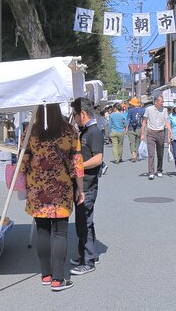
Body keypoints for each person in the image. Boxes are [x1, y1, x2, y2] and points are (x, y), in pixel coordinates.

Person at [21, 103, 84, 291]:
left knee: (42, 230)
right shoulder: (69, 131)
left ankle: (46, 275)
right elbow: (77, 161)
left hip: (37, 188)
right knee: (60, 232)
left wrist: (24, 183)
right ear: (58, 109)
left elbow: (23, 161)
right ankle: (58, 279)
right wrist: (80, 188)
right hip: (61, 186)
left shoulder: (30, 131)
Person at [70, 98, 103, 276]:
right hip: (84, 182)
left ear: (82, 113)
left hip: (88, 184)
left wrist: (79, 166)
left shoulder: (94, 132)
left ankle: (88, 261)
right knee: (84, 221)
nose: (74, 119)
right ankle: (88, 253)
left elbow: (98, 158)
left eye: (75, 115)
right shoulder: (85, 131)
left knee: (84, 223)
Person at [140, 95, 172, 180]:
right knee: (151, 153)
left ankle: (159, 170)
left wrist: (170, 132)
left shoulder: (164, 110)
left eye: (163, 101)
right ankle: (151, 172)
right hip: (151, 133)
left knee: (160, 153)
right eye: (161, 101)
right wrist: (142, 134)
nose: (162, 103)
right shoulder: (149, 109)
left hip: (161, 133)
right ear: (156, 102)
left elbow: (167, 122)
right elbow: (144, 122)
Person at [127, 98, 146, 162]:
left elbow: (128, 119)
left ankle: (134, 156)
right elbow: (144, 120)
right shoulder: (143, 110)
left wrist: (126, 128)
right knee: (138, 142)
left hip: (131, 128)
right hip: (139, 128)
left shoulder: (130, 110)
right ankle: (137, 155)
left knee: (132, 143)